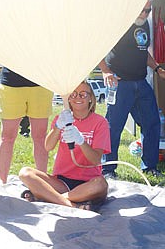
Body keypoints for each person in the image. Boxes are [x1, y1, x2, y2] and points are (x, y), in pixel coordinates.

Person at [100, 0, 165, 180]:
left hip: (140, 82)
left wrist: (159, 69)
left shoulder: (144, 25)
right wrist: (105, 72)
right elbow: (96, 49)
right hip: (119, 83)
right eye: (141, 10)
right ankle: (108, 170)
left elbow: (143, 53)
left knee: (152, 123)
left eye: (148, 11)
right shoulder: (116, 23)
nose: (144, 14)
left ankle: (150, 167)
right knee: (113, 127)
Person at [19, 80, 109, 210]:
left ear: (91, 98)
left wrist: (81, 141)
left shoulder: (100, 122)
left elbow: (95, 160)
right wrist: (57, 127)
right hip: (62, 181)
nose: (77, 97)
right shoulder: (62, 119)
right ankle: (71, 204)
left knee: (101, 184)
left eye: (83, 94)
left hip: (88, 183)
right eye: (73, 94)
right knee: (25, 173)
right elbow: (48, 146)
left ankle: (47, 197)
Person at [0, 68, 52, 185]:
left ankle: (42, 181)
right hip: (11, 83)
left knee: (40, 136)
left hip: (41, 83)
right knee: (7, 137)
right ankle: (2, 182)